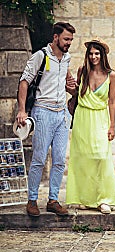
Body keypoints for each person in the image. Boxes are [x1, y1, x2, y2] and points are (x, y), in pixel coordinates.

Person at [16, 22, 76, 217]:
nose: (69, 43)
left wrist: (71, 86)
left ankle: (53, 200)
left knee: (59, 160)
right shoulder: (40, 56)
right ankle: (32, 200)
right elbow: (24, 82)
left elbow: (66, 82)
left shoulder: (66, 58)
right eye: (66, 39)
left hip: (61, 114)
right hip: (42, 112)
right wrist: (22, 110)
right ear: (56, 37)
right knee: (39, 159)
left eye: (71, 40)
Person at [65, 39, 115, 214]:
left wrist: (112, 126)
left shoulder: (111, 75)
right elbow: (77, 93)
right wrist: (70, 89)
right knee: (83, 157)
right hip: (82, 117)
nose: (94, 56)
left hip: (101, 117)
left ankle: (104, 199)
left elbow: (112, 101)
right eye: (91, 53)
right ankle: (85, 198)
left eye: (97, 53)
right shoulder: (83, 71)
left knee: (101, 157)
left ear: (103, 55)